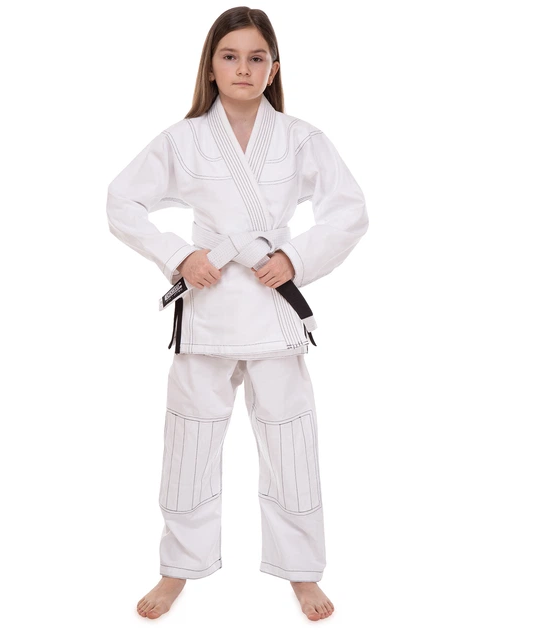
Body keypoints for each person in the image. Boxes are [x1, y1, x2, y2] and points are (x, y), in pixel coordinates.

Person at [106, 6, 368, 622]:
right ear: (211, 66)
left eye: (256, 57)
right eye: (230, 56)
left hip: (273, 309)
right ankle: (177, 568)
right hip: (209, 306)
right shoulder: (183, 139)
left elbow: (349, 211)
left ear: (274, 68)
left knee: (291, 441)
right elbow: (121, 202)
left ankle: (302, 571)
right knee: (190, 442)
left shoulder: (301, 138)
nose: (243, 68)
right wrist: (180, 255)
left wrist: (295, 259)